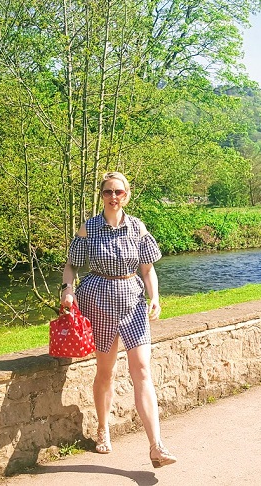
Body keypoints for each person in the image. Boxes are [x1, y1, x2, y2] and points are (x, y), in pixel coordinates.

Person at [61, 171, 177, 468]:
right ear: (101, 195)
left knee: (141, 370)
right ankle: (103, 428)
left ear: (127, 195)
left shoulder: (137, 228)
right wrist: (67, 291)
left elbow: (148, 269)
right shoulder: (88, 229)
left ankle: (156, 446)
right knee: (106, 371)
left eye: (119, 192)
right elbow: (70, 266)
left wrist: (155, 297)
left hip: (132, 301)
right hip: (98, 301)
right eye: (108, 192)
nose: (114, 197)